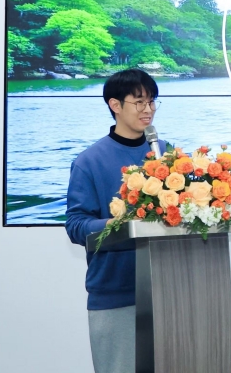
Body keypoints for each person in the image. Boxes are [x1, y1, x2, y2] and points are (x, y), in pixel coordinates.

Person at [65, 69, 162, 373]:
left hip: (169, 288)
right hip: (115, 292)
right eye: (139, 102)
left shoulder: (166, 155)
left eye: (152, 101)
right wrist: (117, 225)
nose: (148, 110)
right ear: (115, 105)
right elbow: (76, 225)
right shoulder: (88, 161)